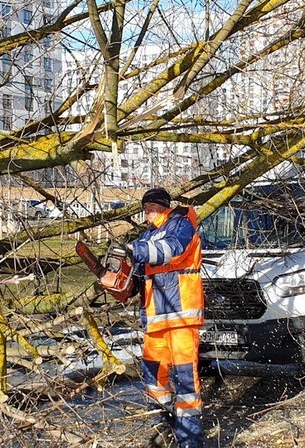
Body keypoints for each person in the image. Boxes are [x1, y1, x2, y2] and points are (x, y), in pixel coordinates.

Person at [129, 187, 205, 448]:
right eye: (145, 206)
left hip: (182, 316)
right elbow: (135, 275)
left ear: (164, 206)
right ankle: (163, 431)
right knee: (153, 378)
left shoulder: (181, 226)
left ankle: (190, 441)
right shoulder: (146, 235)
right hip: (155, 319)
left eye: (152, 205)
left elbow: (170, 250)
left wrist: (133, 250)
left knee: (185, 382)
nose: (147, 210)